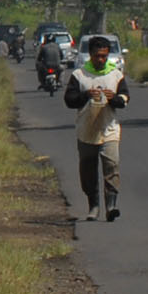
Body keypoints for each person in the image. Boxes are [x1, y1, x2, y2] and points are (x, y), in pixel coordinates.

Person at [63, 35, 131, 221]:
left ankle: (111, 206)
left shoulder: (115, 75)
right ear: (90, 55)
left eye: (104, 56)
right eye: (97, 56)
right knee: (88, 170)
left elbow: (124, 98)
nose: (101, 60)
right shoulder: (80, 75)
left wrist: (113, 99)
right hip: (86, 130)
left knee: (112, 166)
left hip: (109, 129)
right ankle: (93, 205)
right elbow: (69, 100)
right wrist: (86, 95)